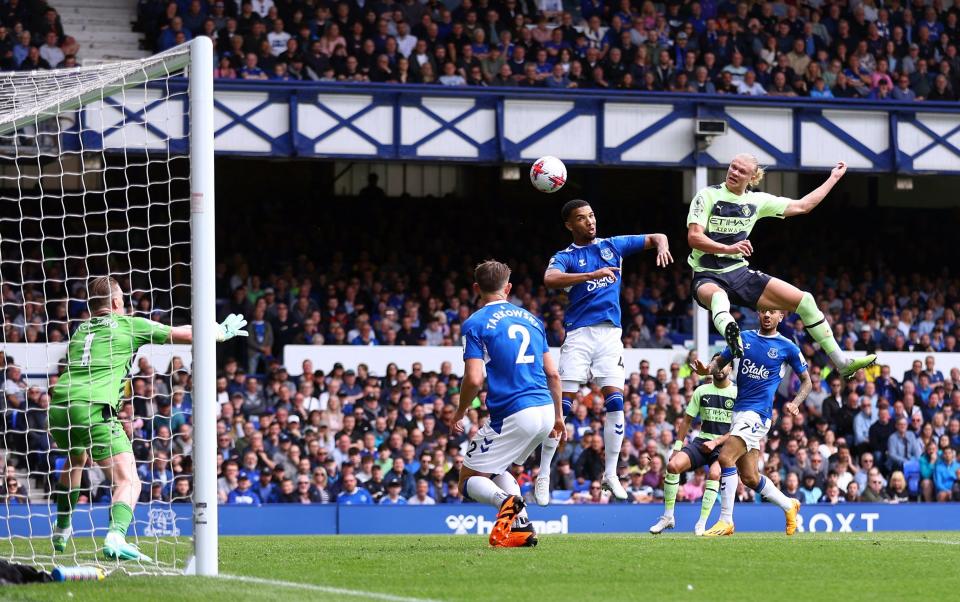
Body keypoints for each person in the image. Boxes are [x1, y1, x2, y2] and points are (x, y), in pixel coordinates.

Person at [49, 276, 247, 560]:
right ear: (117, 302)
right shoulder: (130, 324)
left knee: (76, 458)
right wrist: (219, 331)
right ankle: (116, 536)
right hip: (93, 406)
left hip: (59, 405)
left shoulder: (81, 330)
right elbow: (185, 333)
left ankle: (63, 526)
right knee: (129, 480)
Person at [686, 155, 876, 379]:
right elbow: (694, 238)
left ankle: (842, 362)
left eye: (741, 171)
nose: (734, 172)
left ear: (752, 177)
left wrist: (833, 178)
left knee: (805, 301)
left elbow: (803, 206)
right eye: (732, 167)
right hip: (707, 275)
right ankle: (733, 339)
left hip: (740, 274)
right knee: (720, 298)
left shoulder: (757, 201)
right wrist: (728, 249)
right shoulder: (707, 195)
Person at [536, 199, 672, 504]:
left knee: (615, 402)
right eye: (582, 219)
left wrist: (662, 246)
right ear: (570, 225)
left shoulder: (612, 246)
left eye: (592, 215)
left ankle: (611, 474)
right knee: (563, 408)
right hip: (579, 336)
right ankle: (543, 473)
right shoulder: (565, 257)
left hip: (610, 335)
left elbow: (657, 237)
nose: (590, 221)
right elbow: (549, 279)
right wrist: (589, 276)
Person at [453, 260, 563, 548]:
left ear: (476, 288)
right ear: (509, 288)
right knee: (497, 467)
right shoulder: (532, 320)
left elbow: (474, 379)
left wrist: (461, 410)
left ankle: (507, 504)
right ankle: (522, 528)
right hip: (545, 410)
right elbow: (553, 372)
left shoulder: (475, 323)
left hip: (514, 411)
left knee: (467, 478)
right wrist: (560, 416)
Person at [693, 309, 811, 537]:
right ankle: (789, 505)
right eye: (764, 310)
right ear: (758, 314)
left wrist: (796, 402)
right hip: (738, 413)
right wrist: (707, 370)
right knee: (749, 477)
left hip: (758, 415)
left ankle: (726, 521)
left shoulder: (788, 347)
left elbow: (807, 382)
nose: (767, 314)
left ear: (781, 317)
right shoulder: (742, 338)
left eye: (773, 312)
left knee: (725, 457)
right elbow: (720, 363)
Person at [650, 354, 735, 536]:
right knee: (672, 466)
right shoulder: (701, 391)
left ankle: (701, 523)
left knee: (714, 473)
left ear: (731, 369)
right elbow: (686, 421)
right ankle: (668, 517)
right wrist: (677, 447)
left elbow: (738, 428)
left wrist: (717, 442)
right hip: (702, 441)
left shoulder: (736, 394)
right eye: (717, 364)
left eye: (724, 365)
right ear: (711, 367)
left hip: (725, 446)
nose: (720, 368)